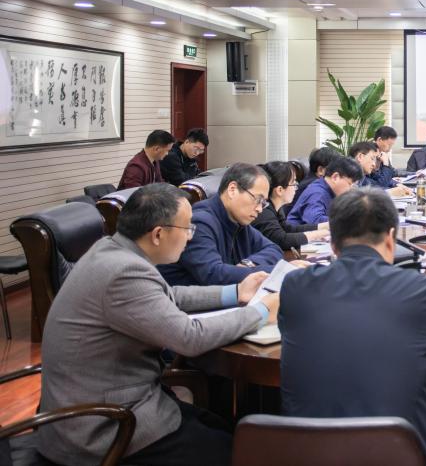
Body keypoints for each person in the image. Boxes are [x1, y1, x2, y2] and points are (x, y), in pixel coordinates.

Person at [39, 183, 278, 466]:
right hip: (103, 427)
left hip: (107, 400)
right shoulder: (124, 272)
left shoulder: (112, 249)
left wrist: (236, 292)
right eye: (187, 229)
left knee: (226, 428)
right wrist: (262, 311)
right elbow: (189, 337)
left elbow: (167, 295)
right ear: (158, 234)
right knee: (237, 451)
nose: (190, 237)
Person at [279, 188, 426, 466]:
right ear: (391, 239)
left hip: (310, 457)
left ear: (333, 245)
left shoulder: (294, 288)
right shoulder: (425, 293)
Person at [159, 163, 286, 287]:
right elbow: (214, 275)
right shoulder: (200, 222)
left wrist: (248, 264)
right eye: (258, 199)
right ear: (232, 190)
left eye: (263, 203)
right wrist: (281, 271)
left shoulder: (238, 222)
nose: (260, 209)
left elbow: (274, 249)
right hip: (179, 299)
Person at [252, 161, 329, 253]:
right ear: (280, 190)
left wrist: (325, 226)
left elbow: (289, 229)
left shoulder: (277, 208)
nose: (296, 187)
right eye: (293, 183)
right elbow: (282, 240)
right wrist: (318, 234)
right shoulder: (263, 211)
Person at [286, 156, 363, 226]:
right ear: (335, 177)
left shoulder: (331, 190)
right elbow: (315, 220)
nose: (351, 189)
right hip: (298, 235)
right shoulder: (317, 192)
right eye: (350, 184)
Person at [290, 146, 342, 212]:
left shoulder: (312, 182)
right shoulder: (312, 187)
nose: (337, 175)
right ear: (320, 170)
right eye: (335, 169)